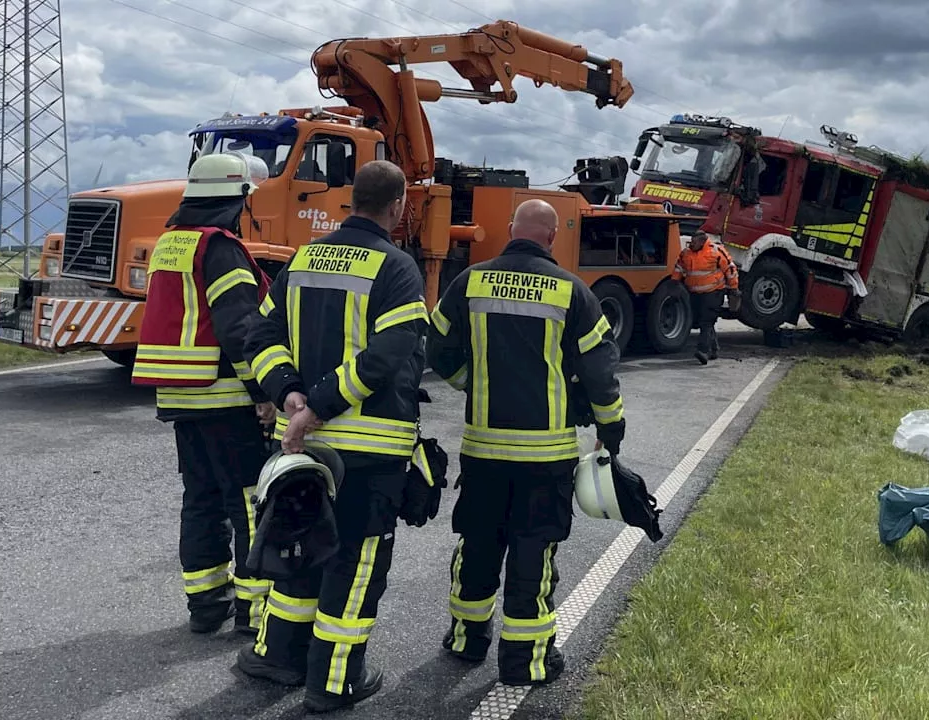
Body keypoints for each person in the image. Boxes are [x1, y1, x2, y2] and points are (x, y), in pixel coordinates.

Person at [237, 160, 429, 713]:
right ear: (397, 207)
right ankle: (335, 680)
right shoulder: (396, 268)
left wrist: (289, 392)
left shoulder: (303, 258)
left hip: (300, 448)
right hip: (368, 452)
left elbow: (262, 334)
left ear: (349, 200)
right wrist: (317, 405)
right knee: (356, 562)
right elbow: (387, 357)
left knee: (299, 547)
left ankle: (277, 656)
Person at [426, 198, 627, 686]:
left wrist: (472, 382)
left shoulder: (469, 281)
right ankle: (526, 659)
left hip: (483, 450)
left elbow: (437, 348)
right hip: (546, 457)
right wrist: (610, 429)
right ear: (553, 238)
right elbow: (599, 375)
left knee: (477, 543)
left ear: (511, 229)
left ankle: (466, 640)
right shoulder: (573, 292)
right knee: (533, 552)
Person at [130, 152, 276, 637]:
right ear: (234, 200)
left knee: (201, 500)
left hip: (180, 395)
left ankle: (206, 603)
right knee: (249, 500)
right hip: (224, 395)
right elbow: (239, 329)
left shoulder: (171, 243)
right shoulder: (221, 248)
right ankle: (254, 610)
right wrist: (263, 390)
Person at [672, 231, 739, 364]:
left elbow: (730, 270)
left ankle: (703, 351)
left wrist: (733, 288)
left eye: (694, 242)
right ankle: (714, 348)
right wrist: (674, 284)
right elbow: (679, 268)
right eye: (691, 241)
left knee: (706, 321)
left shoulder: (716, 251)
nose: (691, 244)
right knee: (700, 321)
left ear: (702, 242)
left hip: (714, 292)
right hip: (695, 294)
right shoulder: (686, 253)